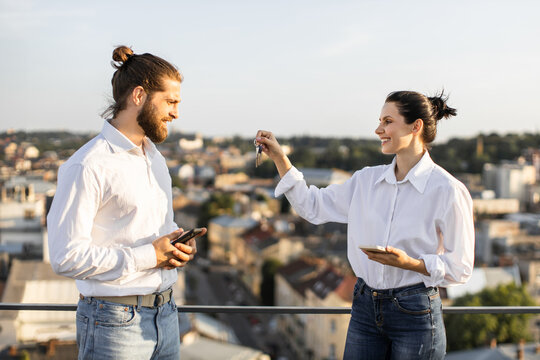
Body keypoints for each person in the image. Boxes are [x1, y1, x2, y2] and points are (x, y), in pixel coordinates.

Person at [255, 91, 474, 359]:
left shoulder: (448, 190)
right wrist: (280, 158)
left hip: (415, 313)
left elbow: (461, 267)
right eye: (380, 121)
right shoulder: (365, 181)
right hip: (364, 307)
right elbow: (311, 205)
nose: (378, 129)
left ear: (416, 126)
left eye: (387, 121)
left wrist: (411, 264)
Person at [47, 45, 206, 360]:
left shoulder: (154, 158)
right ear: (139, 96)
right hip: (114, 323)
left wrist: (175, 244)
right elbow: (65, 257)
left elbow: (144, 226)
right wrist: (149, 255)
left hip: (167, 316)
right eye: (171, 102)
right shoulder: (88, 165)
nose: (177, 113)